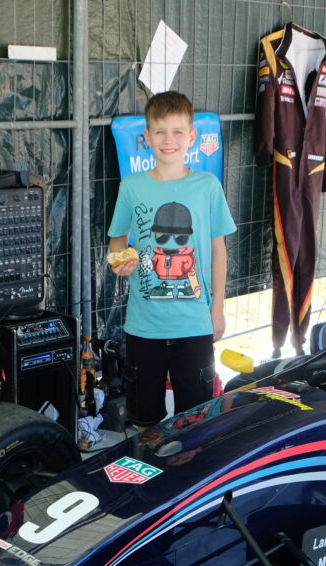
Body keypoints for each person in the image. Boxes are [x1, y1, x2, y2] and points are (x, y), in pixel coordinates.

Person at [106, 91, 237, 429]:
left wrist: (217, 309)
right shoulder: (131, 186)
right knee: (144, 422)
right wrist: (119, 260)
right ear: (146, 137)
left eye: (178, 131)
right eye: (160, 131)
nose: (169, 140)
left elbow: (219, 250)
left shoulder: (207, 186)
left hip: (195, 324)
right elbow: (117, 241)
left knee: (196, 423)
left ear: (191, 137)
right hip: (143, 326)